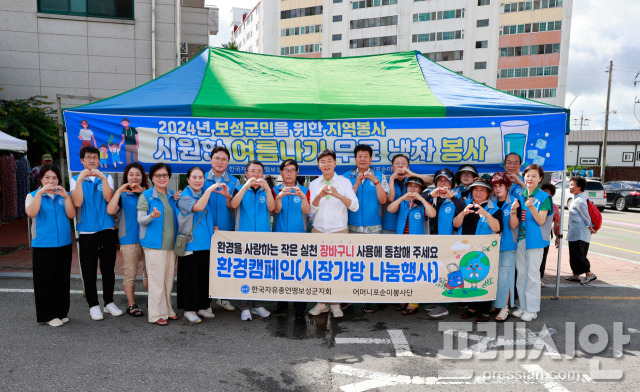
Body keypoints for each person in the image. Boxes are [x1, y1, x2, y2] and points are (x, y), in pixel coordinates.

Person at [71, 146, 122, 320]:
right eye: (88, 157)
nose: (92, 160)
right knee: (89, 269)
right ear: (82, 160)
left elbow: (109, 198)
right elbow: (77, 202)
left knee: (108, 269)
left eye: (95, 157)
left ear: (99, 160)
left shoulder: (106, 177)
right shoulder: (75, 179)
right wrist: (80, 181)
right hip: (87, 232)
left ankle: (109, 302)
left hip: (107, 229)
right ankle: (93, 305)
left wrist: (102, 178)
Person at [308, 149, 359, 318]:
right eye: (323, 162)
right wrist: (318, 197)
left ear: (335, 163)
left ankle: (336, 304)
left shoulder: (344, 182)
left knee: (338, 269)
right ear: (318, 165)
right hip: (318, 230)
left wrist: (337, 195)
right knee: (319, 269)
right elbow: (311, 210)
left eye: (329, 161)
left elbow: (354, 206)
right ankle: (322, 303)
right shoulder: (314, 184)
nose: (326, 164)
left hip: (339, 231)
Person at [25, 164, 75, 327]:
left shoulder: (64, 195)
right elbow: (31, 213)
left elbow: (71, 214)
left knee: (62, 279)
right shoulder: (33, 195)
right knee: (45, 281)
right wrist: (40, 193)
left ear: (59, 179)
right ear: (40, 179)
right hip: (43, 245)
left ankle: (61, 312)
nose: (51, 180)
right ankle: (47, 315)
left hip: (64, 244)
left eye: (54, 177)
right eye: (47, 177)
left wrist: (66, 197)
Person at [344, 144, 389, 313]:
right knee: (351, 264)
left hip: (373, 228)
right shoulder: (346, 177)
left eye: (365, 156)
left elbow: (384, 200)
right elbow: (346, 201)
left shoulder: (379, 175)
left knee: (371, 265)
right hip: (351, 227)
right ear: (355, 159)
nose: (362, 159)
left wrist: (375, 182)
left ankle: (368, 299)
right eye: (359, 156)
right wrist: (356, 182)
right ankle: (348, 298)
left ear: (371, 159)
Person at [176, 167, 221, 324]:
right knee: (190, 279)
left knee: (203, 278)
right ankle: (189, 309)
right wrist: (210, 189)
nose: (198, 180)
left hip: (206, 245)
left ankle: (202, 306)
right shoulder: (184, 197)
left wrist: (213, 227)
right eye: (194, 177)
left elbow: (205, 216)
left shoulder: (202, 194)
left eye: (201, 177)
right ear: (188, 180)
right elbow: (198, 208)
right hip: (191, 245)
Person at [230, 160, 274, 320]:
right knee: (244, 272)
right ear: (246, 174)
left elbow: (271, 208)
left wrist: (268, 189)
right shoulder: (239, 189)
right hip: (243, 238)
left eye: (259, 172)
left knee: (261, 273)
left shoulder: (267, 190)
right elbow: (233, 204)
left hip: (263, 239)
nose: (256, 175)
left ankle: (258, 305)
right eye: (252, 171)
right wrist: (245, 186)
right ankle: (244, 307)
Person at [421, 168, 467, 318]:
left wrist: (452, 196)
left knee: (449, 272)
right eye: (439, 180)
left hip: (450, 244)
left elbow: (464, 210)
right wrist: (430, 194)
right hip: (432, 242)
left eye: (446, 180)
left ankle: (444, 305)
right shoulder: (431, 197)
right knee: (436, 272)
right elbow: (414, 199)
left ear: (452, 184)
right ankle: (437, 300)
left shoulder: (457, 197)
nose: (442, 183)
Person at [386, 177, 436, 315]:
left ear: (421, 190)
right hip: (401, 243)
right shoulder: (402, 202)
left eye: (416, 187)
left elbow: (432, 213)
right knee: (402, 272)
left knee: (414, 273)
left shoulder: (422, 204)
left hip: (417, 245)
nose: (412, 189)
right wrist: (403, 198)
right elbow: (390, 209)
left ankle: (413, 302)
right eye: (410, 186)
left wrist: (422, 199)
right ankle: (403, 298)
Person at [137, 163, 179, 326]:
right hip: (153, 245)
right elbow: (140, 220)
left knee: (168, 280)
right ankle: (156, 314)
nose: (162, 178)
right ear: (152, 178)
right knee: (156, 281)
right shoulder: (146, 196)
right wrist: (151, 216)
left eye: (165, 175)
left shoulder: (172, 196)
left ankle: (167, 309)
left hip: (171, 245)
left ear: (169, 177)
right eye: (158, 175)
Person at [106, 162, 149, 317]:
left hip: (149, 239)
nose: (134, 177)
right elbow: (110, 210)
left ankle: (153, 299)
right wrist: (118, 191)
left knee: (149, 272)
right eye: (131, 174)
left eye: (138, 174)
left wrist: (143, 192)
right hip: (128, 239)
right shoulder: (122, 195)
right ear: (126, 176)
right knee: (130, 273)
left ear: (143, 176)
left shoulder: (149, 193)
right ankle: (132, 304)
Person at [512, 164, 552, 322]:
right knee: (521, 275)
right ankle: (522, 306)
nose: (530, 178)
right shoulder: (521, 194)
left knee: (532, 275)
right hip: (521, 240)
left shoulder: (544, 197)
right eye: (528, 175)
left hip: (535, 242)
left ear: (540, 179)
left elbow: (541, 220)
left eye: (534, 176)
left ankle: (532, 309)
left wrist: (531, 208)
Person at [272, 159, 311, 320]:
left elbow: (307, 211)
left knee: (299, 273)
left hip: (299, 237)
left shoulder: (304, 190)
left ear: (297, 172)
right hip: (279, 236)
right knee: (280, 271)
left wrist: (303, 197)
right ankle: (281, 304)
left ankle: (300, 307)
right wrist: (279, 197)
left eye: (292, 170)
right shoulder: (274, 190)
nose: (289, 173)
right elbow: (276, 210)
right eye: (286, 170)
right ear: (281, 172)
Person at [203, 146, 238, 312]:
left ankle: (223, 297)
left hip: (227, 231)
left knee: (225, 266)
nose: (220, 162)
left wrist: (228, 197)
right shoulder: (201, 180)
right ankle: (205, 301)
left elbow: (236, 207)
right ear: (211, 160)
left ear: (228, 163)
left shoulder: (235, 182)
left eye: (224, 159)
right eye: (217, 158)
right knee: (205, 266)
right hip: (205, 230)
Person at [487, 173, 520, 322]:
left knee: (506, 278)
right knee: (493, 276)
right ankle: (495, 304)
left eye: (500, 185)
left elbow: (513, 225)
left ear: (507, 186)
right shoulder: (490, 201)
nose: (497, 189)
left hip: (508, 245)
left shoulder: (514, 202)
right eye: (494, 186)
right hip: (491, 246)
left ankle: (504, 307)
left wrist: (513, 211)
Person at [381, 154, 433, 234]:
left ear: (408, 167)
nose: (400, 166)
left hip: (409, 225)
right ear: (392, 167)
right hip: (389, 224)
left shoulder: (412, 182)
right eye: (397, 163)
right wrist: (392, 179)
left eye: (403, 164)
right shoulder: (385, 181)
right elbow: (390, 199)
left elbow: (430, 181)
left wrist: (412, 174)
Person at [565, 176, 597, 285]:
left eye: (572, 185)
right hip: (575, 232)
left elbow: (586, 216)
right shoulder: (576, 198)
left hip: (579, 233)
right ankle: (576, 275)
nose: (570, 187)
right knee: (574, 254)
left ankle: (589, 273)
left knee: (578, 255)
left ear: (579, 187)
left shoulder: (579, 200)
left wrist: (590, 227)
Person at [539, 183, 561, 286]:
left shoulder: (554, 207)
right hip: (532, 236)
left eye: (546, 192)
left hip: (545, 237)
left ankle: (539, 278)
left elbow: (557, 222)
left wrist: (558, 236)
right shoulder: (536, 203)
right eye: (542, 191)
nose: (543, 194)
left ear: (551, 195)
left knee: (542, 258)